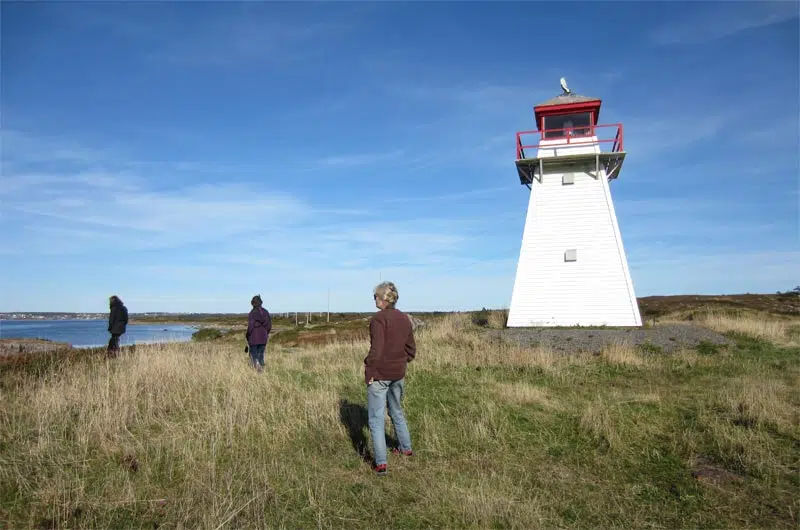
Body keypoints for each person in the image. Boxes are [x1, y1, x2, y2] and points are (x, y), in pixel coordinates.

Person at [363, 281, 417, 476]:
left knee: (376, 419)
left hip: (380, 375)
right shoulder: (404, 318)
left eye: (376, 296)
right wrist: (402, 361)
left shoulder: (378, 319)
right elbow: (411, 348)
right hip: (398, 373)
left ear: (384, 299)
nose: (374, 299)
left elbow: (376, 349)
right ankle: (406, 448)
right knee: (396, 410)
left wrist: (370, 372)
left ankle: (381, 463)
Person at [245, 294, 272, 372]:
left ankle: (257, 371)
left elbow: (250, 326)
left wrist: (247, 335)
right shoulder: (266, 312)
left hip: (253, 338)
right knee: (261, 355)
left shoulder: (252, 313)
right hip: (263, 337)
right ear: (261, 303)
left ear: (253, 303)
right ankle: (261, 371)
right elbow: (269, 326)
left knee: (254, 356)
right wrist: (266, 333)